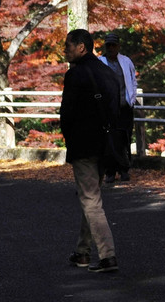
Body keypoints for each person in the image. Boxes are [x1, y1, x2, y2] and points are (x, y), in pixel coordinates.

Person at [59, 28, 121, 273]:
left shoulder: (75, 75)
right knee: (91, 197)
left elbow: (67, 114)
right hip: (106, 145)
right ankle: (82, 252)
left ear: (81, 47)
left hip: (83, 145)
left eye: (68, 46)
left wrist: (70, 139)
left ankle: (108, 255)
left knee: (90, 200)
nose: (65, 50)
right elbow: (117, 109)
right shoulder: (108, 72)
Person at [99, 32, 137, 182]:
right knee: (108, 140)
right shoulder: (100, 62)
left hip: (124, 106)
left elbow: (133, 80)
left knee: (125, 138)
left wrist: (131, 99)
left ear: (118, 46)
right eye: (108, 45)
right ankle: (110, 171)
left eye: (114, 45)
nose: (111, 48)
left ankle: (124, 169)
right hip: (108, 108)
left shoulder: (126, 61)